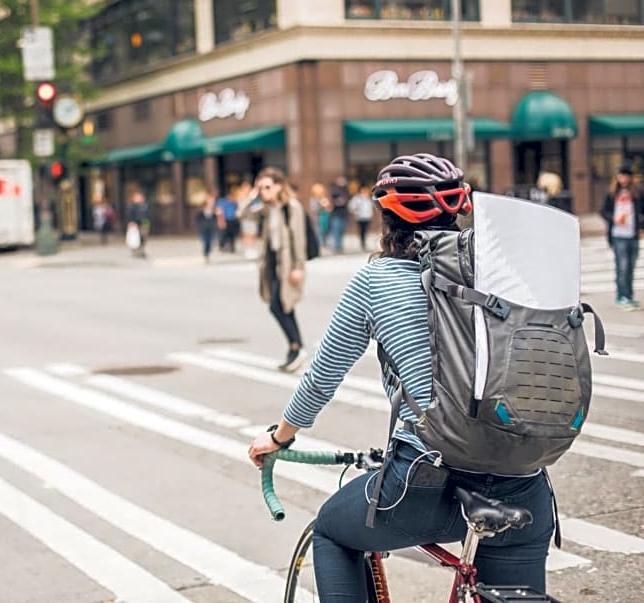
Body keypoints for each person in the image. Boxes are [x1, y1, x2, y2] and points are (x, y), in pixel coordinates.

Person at [248, 154, 555, 602]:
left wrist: (280, 437)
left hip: (424, 484)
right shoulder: (504, 271)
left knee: (333, 532)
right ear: (460, 208)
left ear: (385, 213)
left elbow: (321, 378)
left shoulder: (377, 280)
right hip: (526, 485)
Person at [237, 167, 308, 372]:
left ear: (279, 186)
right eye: (261, 188)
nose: (264, 192)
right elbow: (242, 214)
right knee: (284, 306)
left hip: (288, 265)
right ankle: (295, 348)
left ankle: (297, 346)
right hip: (272, 264)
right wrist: (253, 196)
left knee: (277, 306)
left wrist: (298, 267)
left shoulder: (291, 207)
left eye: (267, 187)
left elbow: (299, 239)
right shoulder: (267, 209)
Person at [600, 162, 644, 310]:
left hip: (632, 234)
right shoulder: (611, 193)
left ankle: (629, 296)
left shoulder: (637, 193)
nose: (623, 179)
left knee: (631, 267)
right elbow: (603, 211)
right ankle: (621, 296)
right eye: (621, 176)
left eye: (626, 176)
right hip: (618, 234)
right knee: (622, 266)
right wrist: (613, 219)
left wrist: (643, 228)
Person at [348, 184, 374, 251]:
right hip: (360, 217)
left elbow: (371, 207)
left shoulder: (369, 199)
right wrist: (356, 212)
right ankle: (362, 243)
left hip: (367, 216)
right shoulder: (357, 199)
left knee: (365, 230)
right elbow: (351, 207)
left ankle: (364, 242)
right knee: (362, 230)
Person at [328, 178, 350, 254]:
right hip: (336, 215)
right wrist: (338, 202)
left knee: (341, 231)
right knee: (336, 232)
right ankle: (336, 247)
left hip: (343, 214)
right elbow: (332, 201)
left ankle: (340, 247)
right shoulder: (334, 191)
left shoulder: (346, 191)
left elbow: (346, 202)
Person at [125, 190, 149, 258]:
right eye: (137, 197)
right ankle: (135, 251)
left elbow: (147, 215)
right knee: (135, 238)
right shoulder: (131, 206)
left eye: (139, 197)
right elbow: (129, 215)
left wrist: (147, 223)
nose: (138, 198)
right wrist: (130, 222)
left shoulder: (144, 205)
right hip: (134, 223)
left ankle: (141, 250)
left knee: (144, 237)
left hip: (144, 223)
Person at [196, 193, 218, 263]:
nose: (211, 202)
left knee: (211, 242)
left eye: (212, 201)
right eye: (210, 200)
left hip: (212, 229)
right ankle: (206, 255)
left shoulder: (215, 210)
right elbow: (198, 218)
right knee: (206, 242)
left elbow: (217, 219)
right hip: (204, 229)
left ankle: (207, 253)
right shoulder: (201, 210)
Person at [309, 183, 331, 250]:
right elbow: (314, 209)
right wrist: (321, 206)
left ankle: (324, 243)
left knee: (325, 231)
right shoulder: (313, 200)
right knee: (318, 232)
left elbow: (328, 208)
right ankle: (320, 245)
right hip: (317, 219)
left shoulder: (324, 198)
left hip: (325, 218)